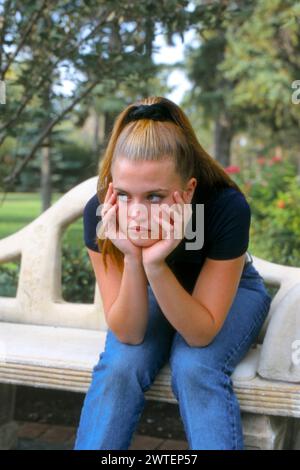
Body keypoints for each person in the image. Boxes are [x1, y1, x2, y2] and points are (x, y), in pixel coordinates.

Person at [73, 96, 272, 450]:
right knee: (120, 366)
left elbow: (199, 334)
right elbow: (129, 334)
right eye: (124, 193)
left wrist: (156, 263)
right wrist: (136, 261)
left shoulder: (224, 206)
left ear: (189, 190)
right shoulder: (102, 213)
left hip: (231, 294)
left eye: (154, 196)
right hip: (149, 290)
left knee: (195, 366)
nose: (135, 213)